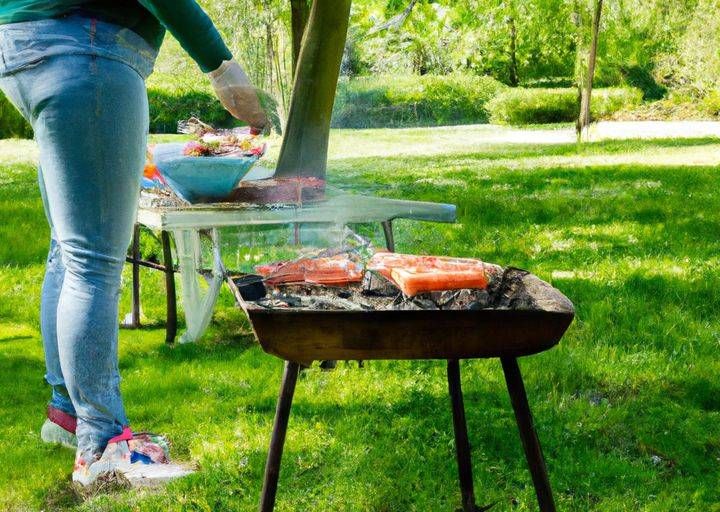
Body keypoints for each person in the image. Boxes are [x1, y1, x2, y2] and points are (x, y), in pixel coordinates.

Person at [0, 1, 268, 486]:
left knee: (69, 249)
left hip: (27, 47)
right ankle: (102, 446)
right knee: (92, 262)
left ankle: (67, 414)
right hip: (87, 52)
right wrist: (221, 67)